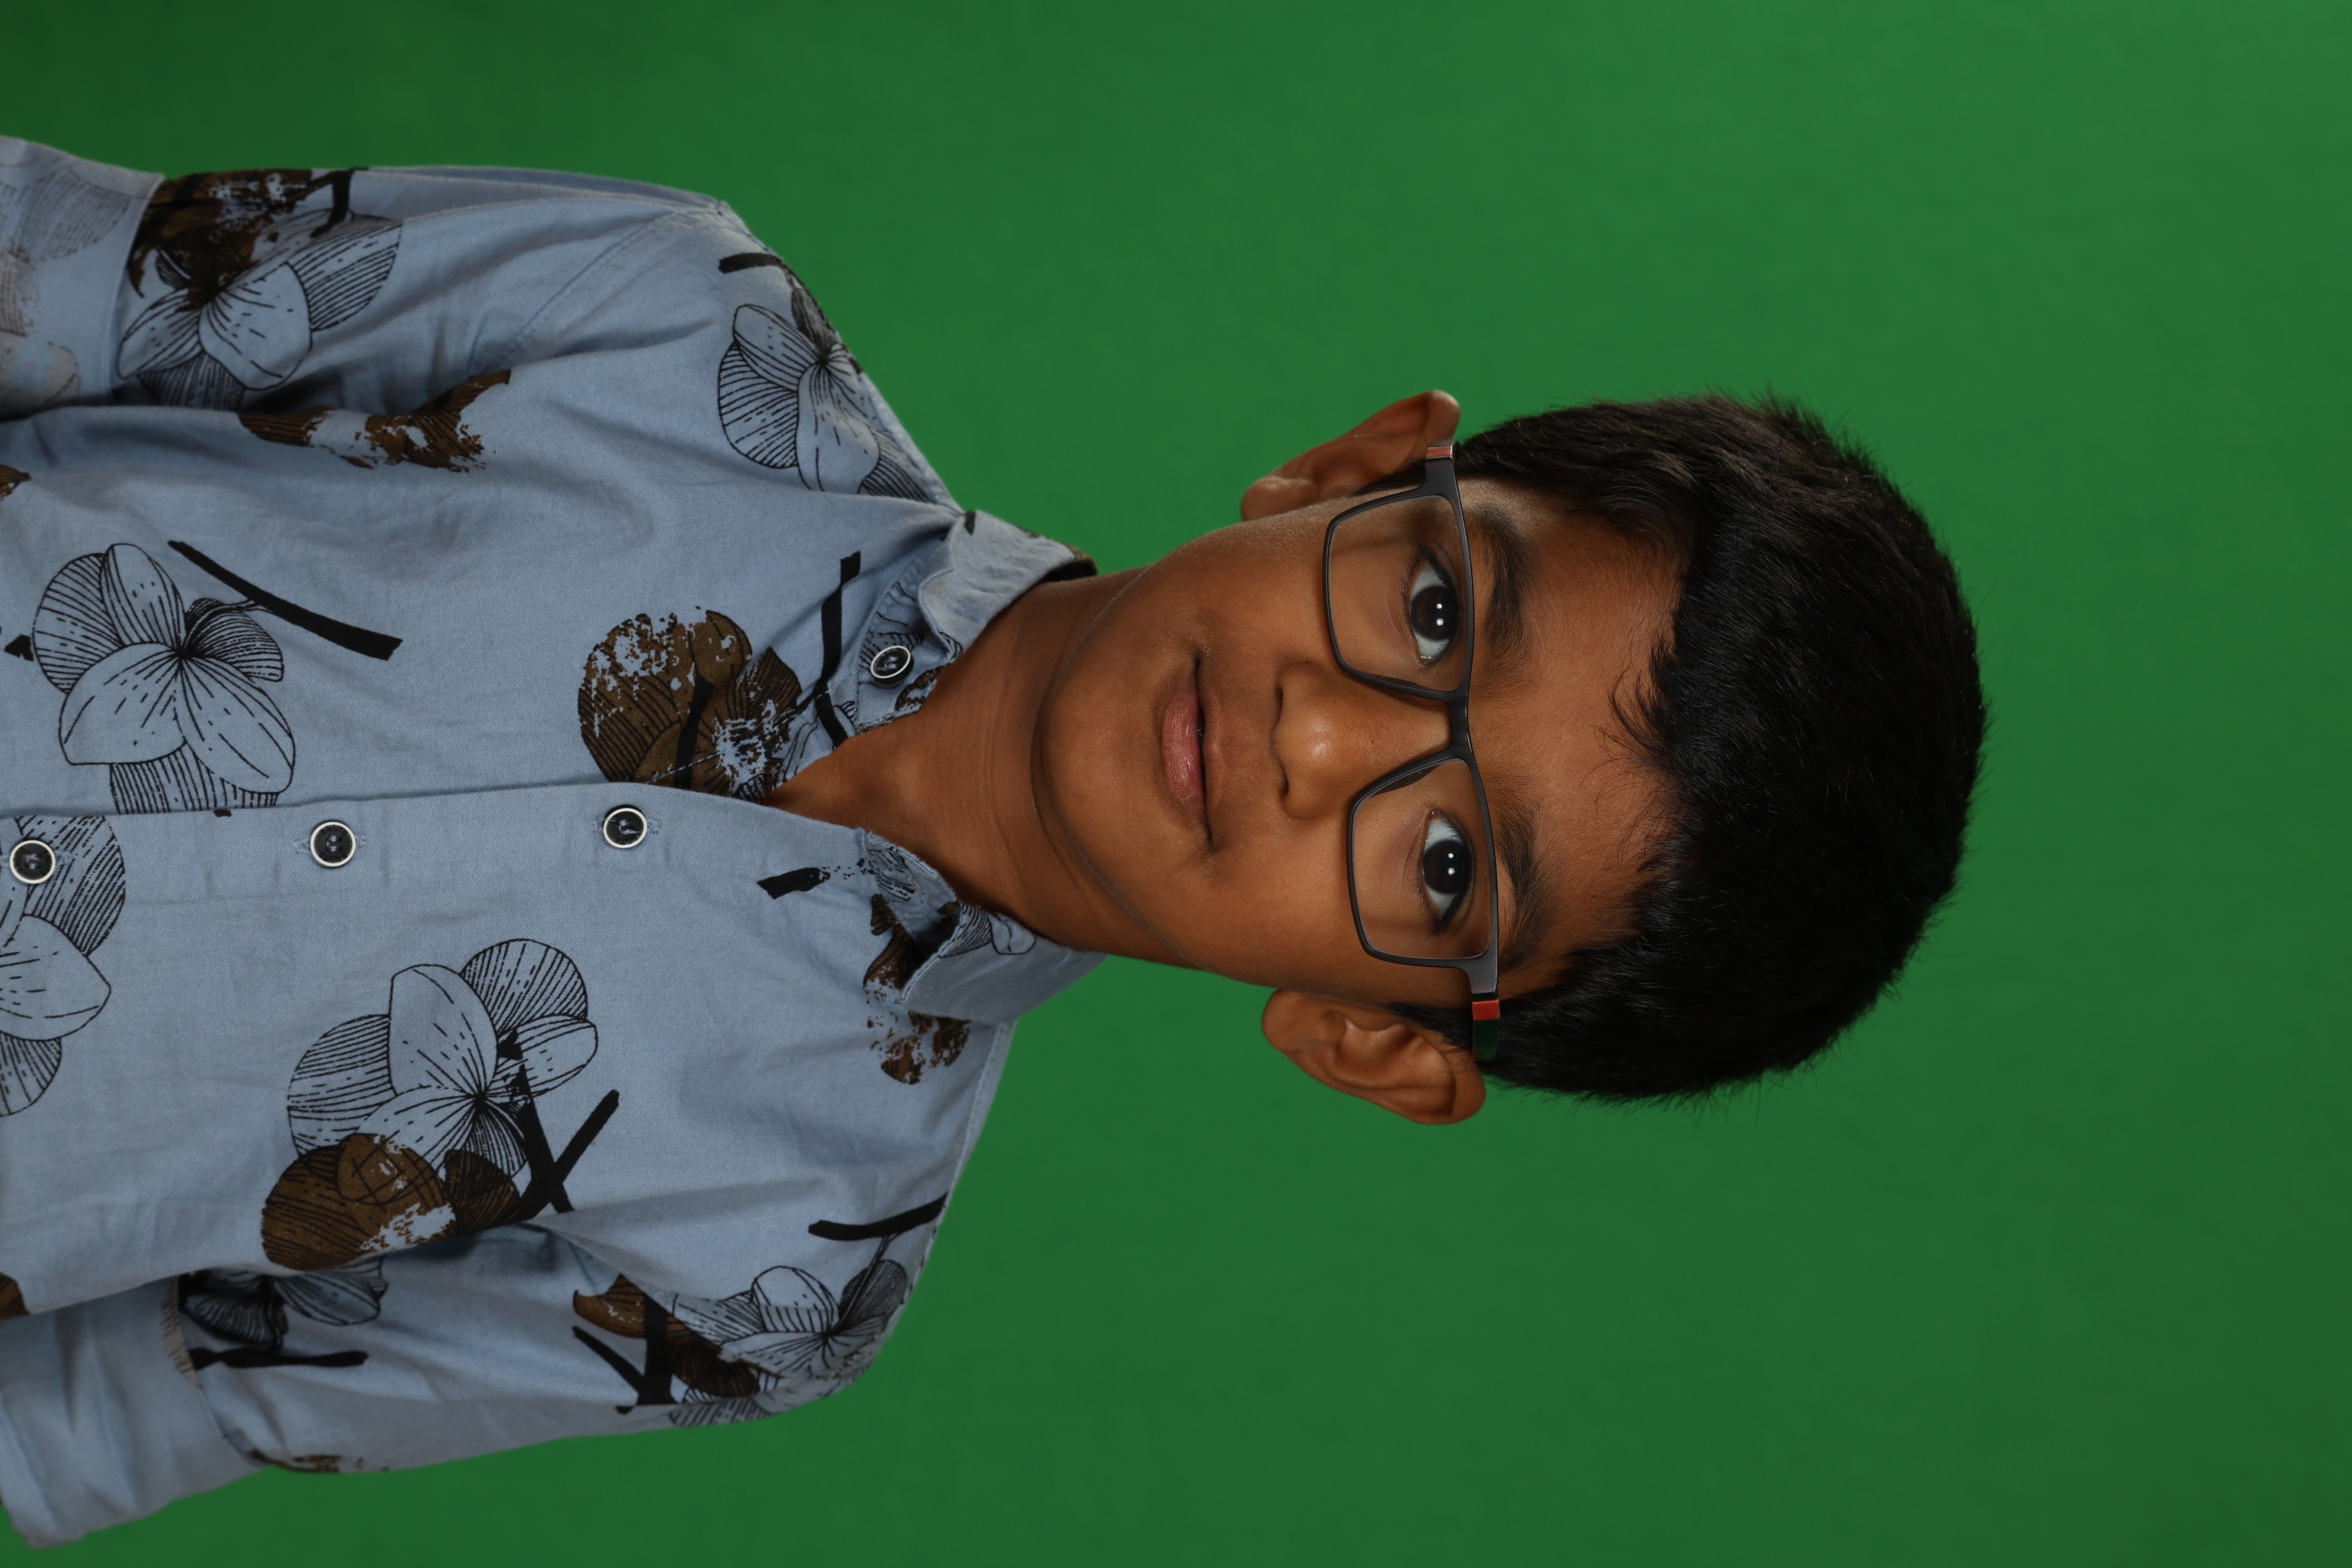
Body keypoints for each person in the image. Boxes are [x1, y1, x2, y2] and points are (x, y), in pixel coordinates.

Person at [0, 138, 1983, 1544]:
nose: (1322, 733)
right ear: (1356, 469)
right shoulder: (671, 326)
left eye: (1451, 866)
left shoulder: (784, 1270)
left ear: (1376, 1036)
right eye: (1437, 609)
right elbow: (59, 275)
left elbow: (146, 1398)